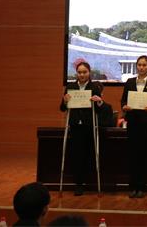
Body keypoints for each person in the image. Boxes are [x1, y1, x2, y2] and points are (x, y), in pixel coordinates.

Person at [120, 54, 147, 198]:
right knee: (132, 155)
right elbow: (123, 100)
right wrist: (124, 107)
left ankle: (141, 187)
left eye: (144, 65)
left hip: (146, 123)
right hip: (132, 123)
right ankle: (132, 186)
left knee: (144, 155)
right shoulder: (129, 82)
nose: (141, 67)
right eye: (139, 65)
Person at [60, 61, 105, 196]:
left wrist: (99, 101)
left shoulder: (94, 87)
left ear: (89, 73)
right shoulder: (70, 87)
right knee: (77, 156)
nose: (82, 75)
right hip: (75, 126)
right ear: (76, 73)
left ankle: (90, 182)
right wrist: (65, 101)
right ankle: (78, 184)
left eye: (84, 72)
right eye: (79, 72)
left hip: (89, 126)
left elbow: (100, 109)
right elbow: (62, 108)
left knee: (89, 155)